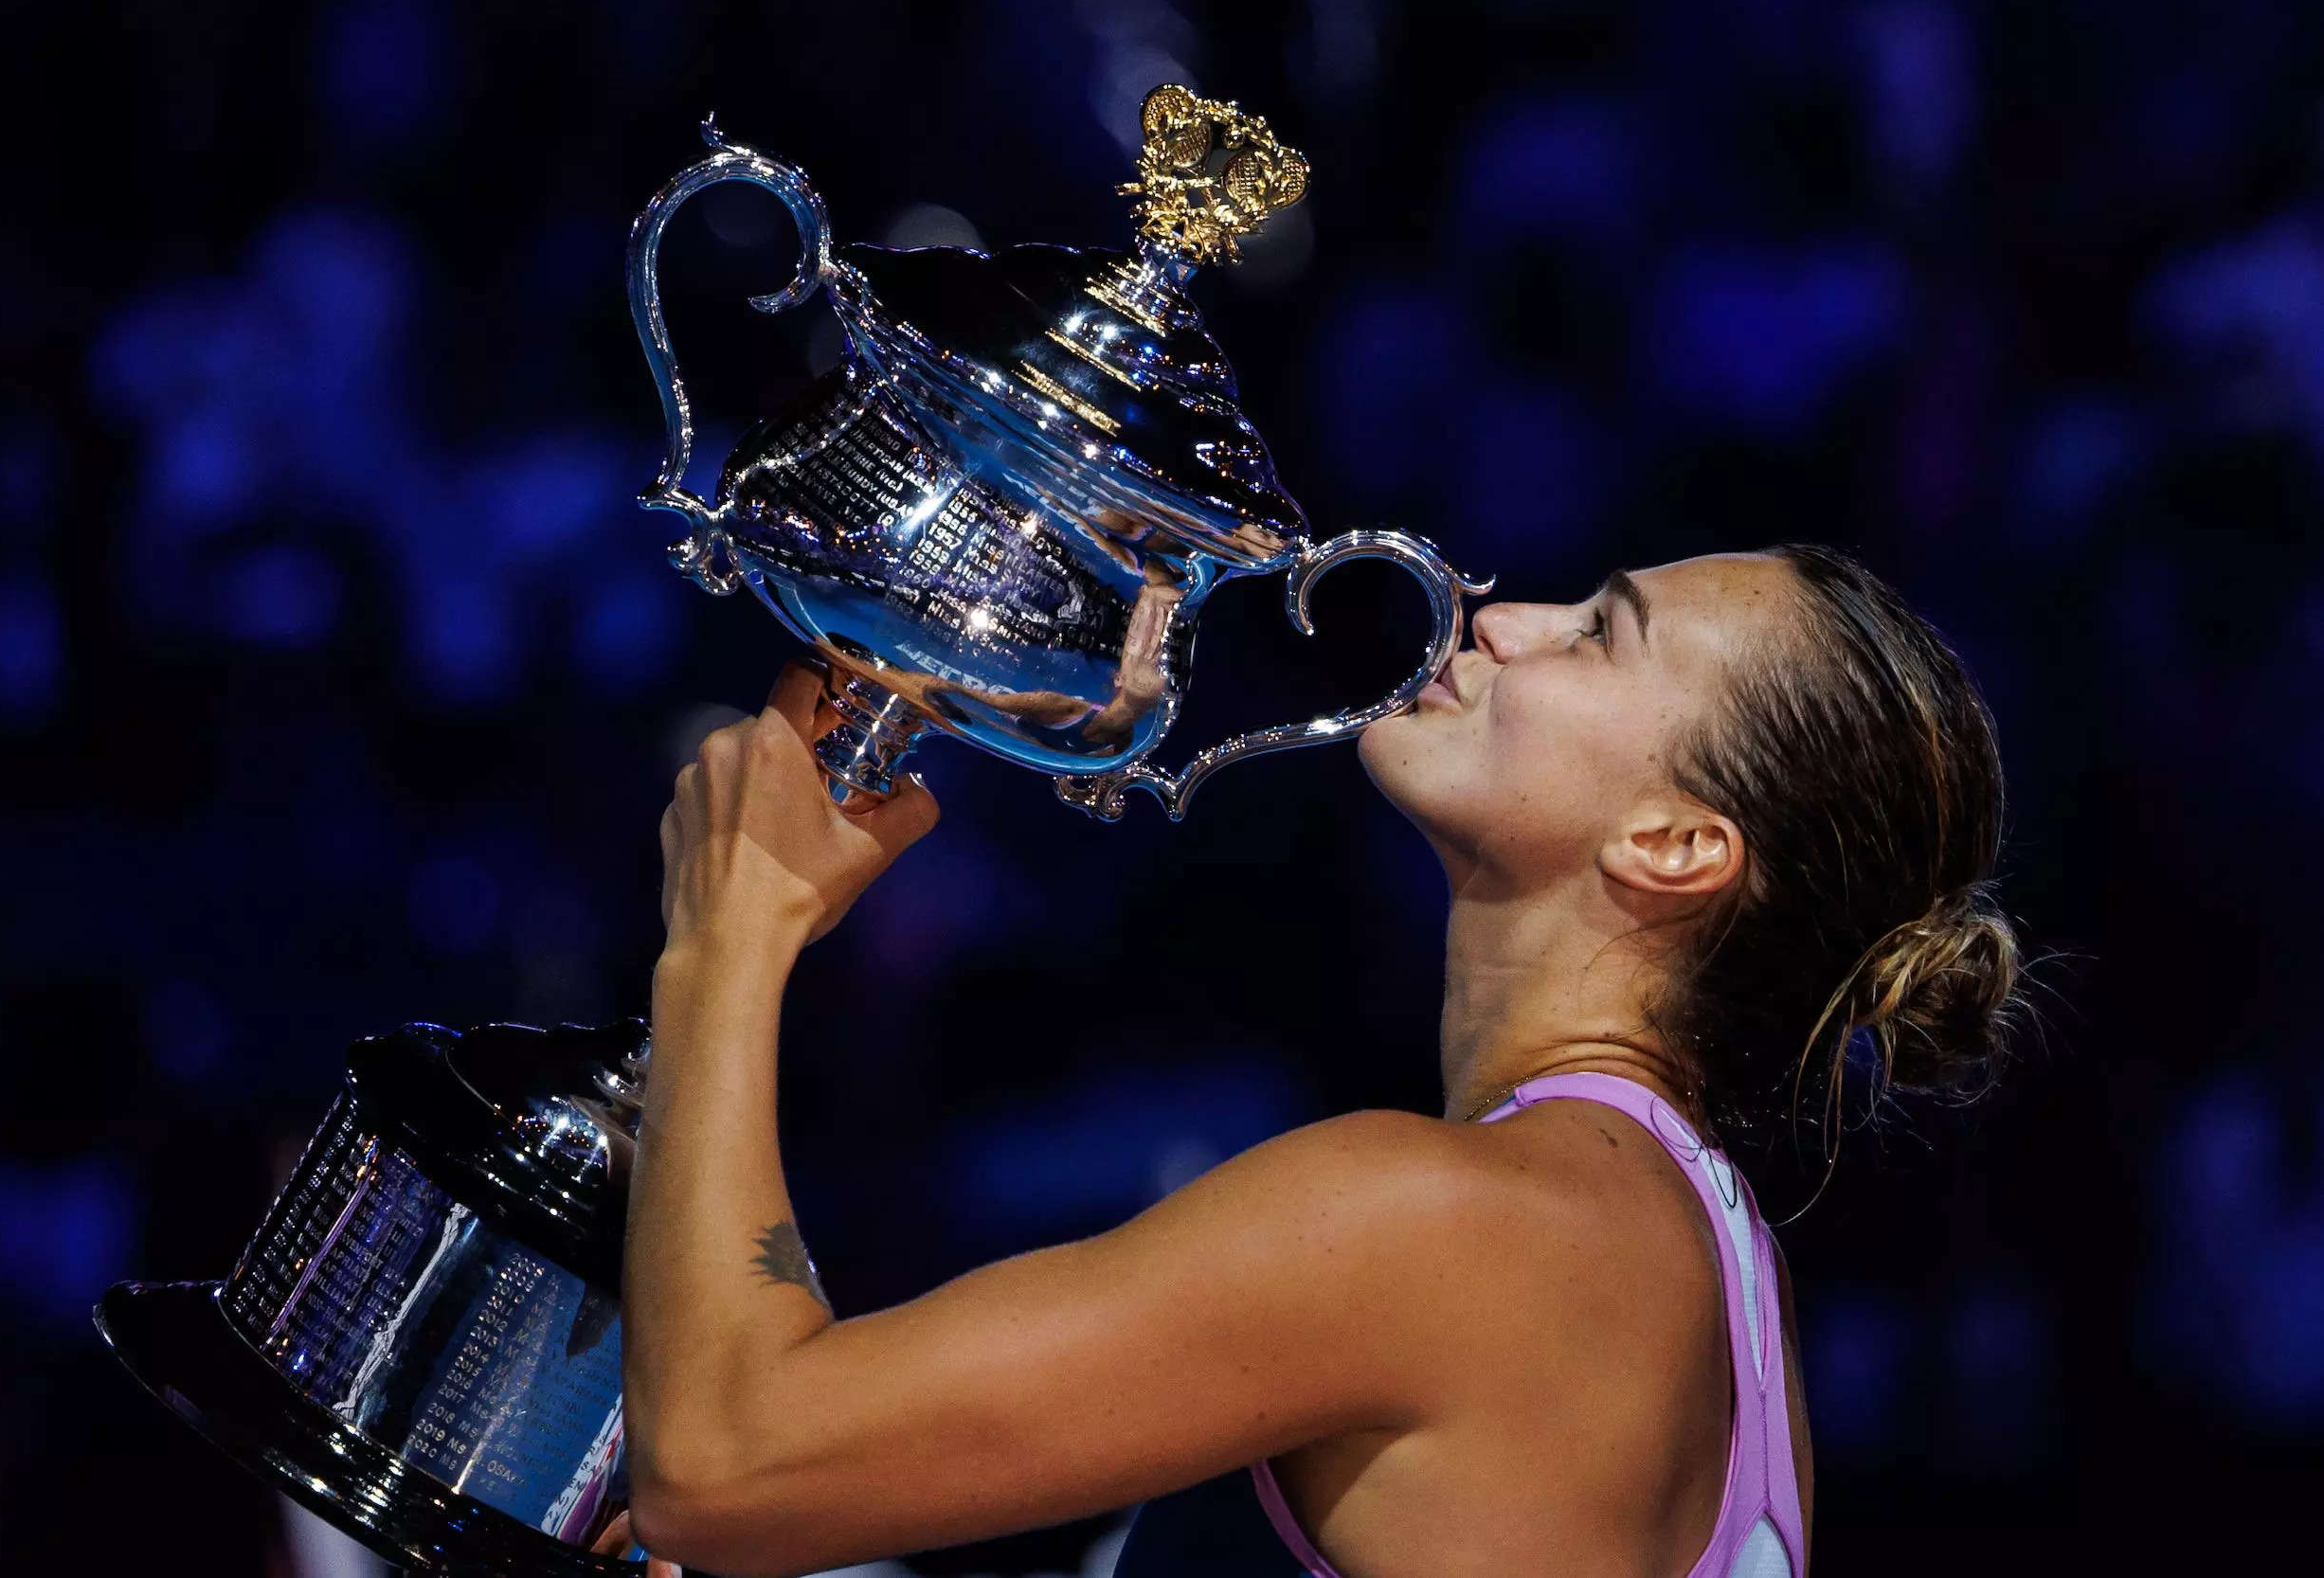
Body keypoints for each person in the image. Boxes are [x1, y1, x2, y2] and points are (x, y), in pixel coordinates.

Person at [604, 546, 2026, 1577]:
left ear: (1673, 848)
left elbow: (727, 1460)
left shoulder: (1449, 1225)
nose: (1504, 616)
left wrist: (728, 939)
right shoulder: (1721, 1275)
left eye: (1599, 632)